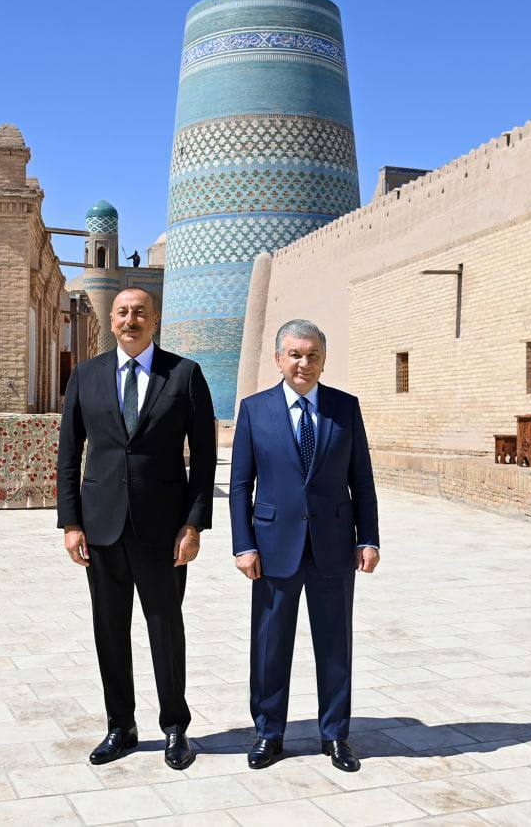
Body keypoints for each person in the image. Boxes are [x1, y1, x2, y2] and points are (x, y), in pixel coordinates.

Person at [57, 286, 216, 770]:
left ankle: (175, 728)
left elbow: (204, 459)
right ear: (111, 321)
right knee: (109, 631)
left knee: (165, 627)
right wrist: (70, 522)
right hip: (101, 527)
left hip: (163, 531)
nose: (131, 320)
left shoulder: (184, 375)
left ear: (155, 319)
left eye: (140, 312)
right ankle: (120, 727)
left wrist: (193, 524)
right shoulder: (86, 376)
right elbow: (69, 455)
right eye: (122, 312)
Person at [229, 318, 380, 773]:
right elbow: (241, 485)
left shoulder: (344, 409)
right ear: (278, 359)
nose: (304, 363)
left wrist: (368, 538)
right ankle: (268, 732)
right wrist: (243, 544)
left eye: (313, 355)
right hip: (273, 547)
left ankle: (335, 735)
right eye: (295, 354)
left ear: (323, 359)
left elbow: (362, 480)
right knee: (270, 644)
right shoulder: (255, 410)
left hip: (333, 545)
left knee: (335, 644)